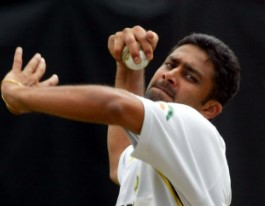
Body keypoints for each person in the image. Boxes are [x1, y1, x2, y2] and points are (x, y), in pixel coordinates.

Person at [1, 25, 240, 206]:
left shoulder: (195, 126)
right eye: (170, 64)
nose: (170, 75)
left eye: (190, 76)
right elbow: (119, 162)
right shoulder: (168, 152)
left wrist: (20, 97)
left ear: (209, 108)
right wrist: (130, 65)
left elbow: (116, 107)